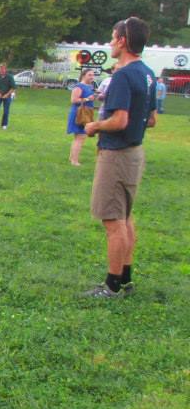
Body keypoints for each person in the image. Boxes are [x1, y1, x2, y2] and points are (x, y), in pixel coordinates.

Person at [83, 16, 157, 298]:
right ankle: (125, 278)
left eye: (113, 38)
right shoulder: (148, 73)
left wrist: (95, 126)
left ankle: (111, 285)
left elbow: (120, 120)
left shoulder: (124, 75)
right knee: (125, 217)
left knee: (112, 221)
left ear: (123, 40)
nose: (111, 43)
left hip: (116, 155)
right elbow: (151, 120)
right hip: (135, 153)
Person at [66, 69, 96, 166]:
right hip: (80, 114)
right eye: (89, 75)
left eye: (93, 75)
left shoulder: (89, 87)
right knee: (80, 137)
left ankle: (72, 158)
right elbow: (74, 100)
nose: (92, 77)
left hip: (86, 113)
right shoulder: (79, 86)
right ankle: (74, 161)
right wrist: (88, 99)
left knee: (79, 137)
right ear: (83, 75)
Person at [0, 63, 16, 129]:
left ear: (5, 69)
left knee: (6, 111)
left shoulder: (10, 77)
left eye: (2, 69)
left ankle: (4, 124)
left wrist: (7, 94)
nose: (1, 71)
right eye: (0, 69)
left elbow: (13, 88)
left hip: (7, 96)